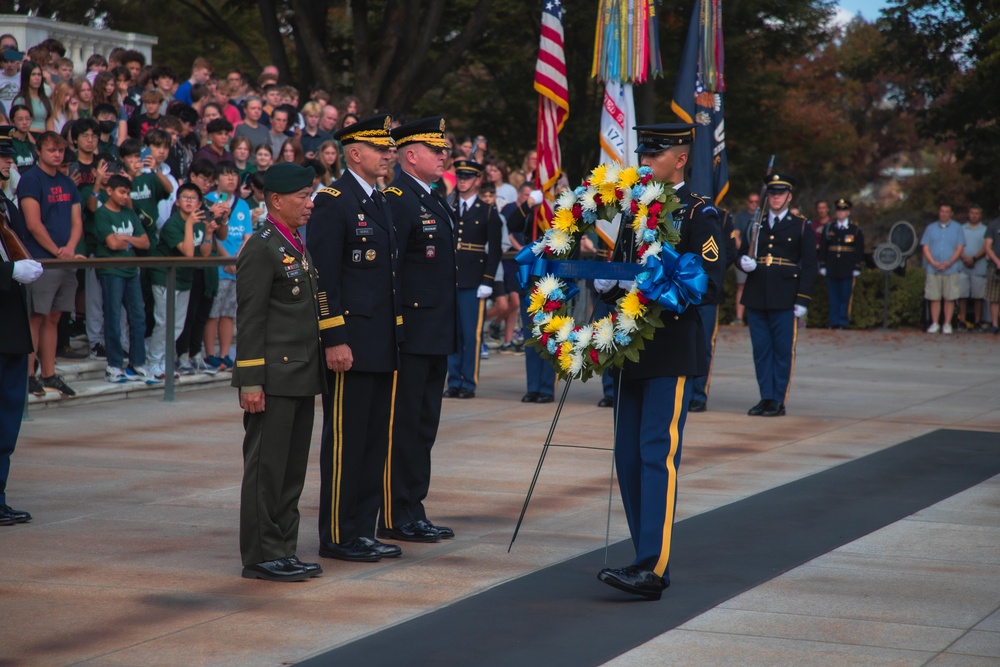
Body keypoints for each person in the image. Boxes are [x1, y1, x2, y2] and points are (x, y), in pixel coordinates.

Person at [594, 123, 724, 600]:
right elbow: (622, 264)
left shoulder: (699, 214)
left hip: (669, 350)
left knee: (656, 454)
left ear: (680, 159)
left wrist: (651, 286)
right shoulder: (635, 209)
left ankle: (654, 565)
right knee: (627, 456)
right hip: (629, 349)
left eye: (656, 152)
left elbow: (709, 285)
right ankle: (639, 554)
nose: (645, 159)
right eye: (643, 152)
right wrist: (608, 284)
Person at [306, 114, 404, 563]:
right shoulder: (334, 200)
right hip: (351, 342)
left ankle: (363, 528)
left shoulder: (380, 199)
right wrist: (334, 338)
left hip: (382, 340)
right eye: (378, 146)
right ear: (354, 153)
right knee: (346, 441)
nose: (388, 153)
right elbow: (324, 278)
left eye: (389, 147)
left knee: (372, 442)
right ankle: (338, 534)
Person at [232, 161, 325, 582]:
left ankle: (283, 547)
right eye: (303, 197)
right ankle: (261, 553)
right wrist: (250, 380)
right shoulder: (262, 247)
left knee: (291, 470)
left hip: (302, 374)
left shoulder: (293, 243)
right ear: (275, 200)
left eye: (310, 196)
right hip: (273, 377)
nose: (309, 204)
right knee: (266, 470)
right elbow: (250, 320)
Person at [378, 117, 458, 544]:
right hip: (410, 335)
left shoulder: (433, 197)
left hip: (434, 333)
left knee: (424, 426)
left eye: (443, 148)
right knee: (403, 426)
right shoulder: (400, 199)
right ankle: (394, 512)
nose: (444, 154)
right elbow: (390, 271)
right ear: (411, 155)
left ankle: (413, 506)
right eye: (435, 149)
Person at [737, 173, 818, 416]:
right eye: (772, 193)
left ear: (789, 197)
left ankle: (778, 400)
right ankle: (765, 397)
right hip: (757, 294)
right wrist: (743, 262)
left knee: (782, 350)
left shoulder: (801, 225)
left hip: (785, 296)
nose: (775, 197)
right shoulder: (755, 223)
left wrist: (802, 299)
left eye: (780, 193)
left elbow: (810, 265)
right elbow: (741, 254)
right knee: (761, 350)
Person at [19, 131, 82, 398]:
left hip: (64, 260)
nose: (57, 155)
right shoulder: (31, 180)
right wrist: (57, 251)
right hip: (41, 260)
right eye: (51, 150)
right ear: (40, 152)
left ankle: (49, 373)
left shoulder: (68, 182)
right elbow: (33, 224)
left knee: (55, 317)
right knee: (36, 317)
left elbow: (77, 221)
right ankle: (28, 375)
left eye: (60, 151)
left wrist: (69, 249)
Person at [0, 127, 42, 525]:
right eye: (1, 156)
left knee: (8, 417)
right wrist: (11, 270)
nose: (8, 160)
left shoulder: (4, 202)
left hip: (10, 328)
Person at [443, 159, 501, 399]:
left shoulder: (487, 210)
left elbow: (495, 250)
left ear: (477, 180)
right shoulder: (449, 208)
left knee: (471, 334)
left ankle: (469, 382)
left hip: (474, 281)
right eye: (460, 177)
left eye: (468, 177)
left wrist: (487, 281)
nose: (463, 181)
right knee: (452, 334)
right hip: (451, 280)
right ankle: (454, 381)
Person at [92, 174, 158, 384]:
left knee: (138, 318)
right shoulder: (102, 214)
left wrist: (125, 240)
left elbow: (146, 242)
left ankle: (137, 363)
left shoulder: (129, 213)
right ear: (109, 191)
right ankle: (114, 365)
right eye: (121, 191)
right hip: (111, 271)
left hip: (131, 271)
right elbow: (112, 244)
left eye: (128, 193)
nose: (125, 196)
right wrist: (131, 242)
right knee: (112, 318)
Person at [689, 206, 736, 412]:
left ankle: (698, 394)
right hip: (680, 289)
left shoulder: (721, 216)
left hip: (707, 290)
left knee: (704, 344)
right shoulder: (686, 208)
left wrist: (710, 276)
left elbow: (728, 252)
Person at [818, 198, 865, 329]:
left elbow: (859, 249)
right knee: (833, 296)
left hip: (847, 267)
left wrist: (857, 266)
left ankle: (843, 321)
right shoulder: (829, 228)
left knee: (845, 296)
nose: (840, 213)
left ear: (848, 212)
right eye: (839, 210)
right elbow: (823, 248)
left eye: (843, 210)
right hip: (832, 266)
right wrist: (822, 264)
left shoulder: (855, 229)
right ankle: (834, 321)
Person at [921, 204, 964, 334]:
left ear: (951, 213)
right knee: (934, 297)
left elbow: (960, 247)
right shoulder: (930, 228)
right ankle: (935, 323)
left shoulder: (957, 228)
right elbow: (925, 247)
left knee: (949, 297)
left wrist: (950, 262)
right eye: (942, 211)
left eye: (946, 212)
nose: (944, 214)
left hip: (951, 268)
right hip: (933, 268)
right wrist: (933, 262)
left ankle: (947, 323)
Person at [957, 204, 987, 331]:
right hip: (962, 266)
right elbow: (957, 245)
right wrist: (964, 258)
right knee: (962, 295)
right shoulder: (961, 229)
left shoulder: (985, 229)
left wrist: (974, 258)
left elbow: (987, 247)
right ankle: (962, 321)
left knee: (978, 297)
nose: (974, 215)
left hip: (979, 267)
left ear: (980, 215)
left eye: (977, 213)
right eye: (972, 213)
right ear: (968, 214)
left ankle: (977, 322)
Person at [731, 192, 759, 325]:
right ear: (747, 202)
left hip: (759, 258)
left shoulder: (761, 216)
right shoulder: (741, 216)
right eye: (751, 201)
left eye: (756, 201)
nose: (754, 204)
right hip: (744, 256)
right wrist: (746, 252)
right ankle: (739, 317)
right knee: (741, 286)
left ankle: (756, 317)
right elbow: (736, 235)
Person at [984, 206, 1000, 334]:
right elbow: (988, 246)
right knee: (994, 297)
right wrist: (997, 261)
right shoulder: (993, 225)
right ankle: (994, 324)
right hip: (995, 266)